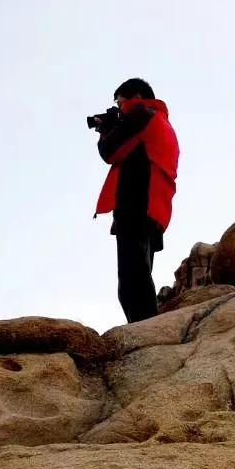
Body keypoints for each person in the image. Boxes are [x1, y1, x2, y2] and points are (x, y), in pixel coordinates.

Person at [91, 78, 179, 323]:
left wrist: (106, 130)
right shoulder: (161, 120)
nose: (119, 109)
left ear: (136, 98)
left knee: (132, 279)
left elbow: (111, 151)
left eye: (120, 103)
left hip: (137, 203)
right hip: (154, 206)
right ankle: (147, 327)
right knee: (140, 273)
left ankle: (144, 331)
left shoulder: (142, 114)